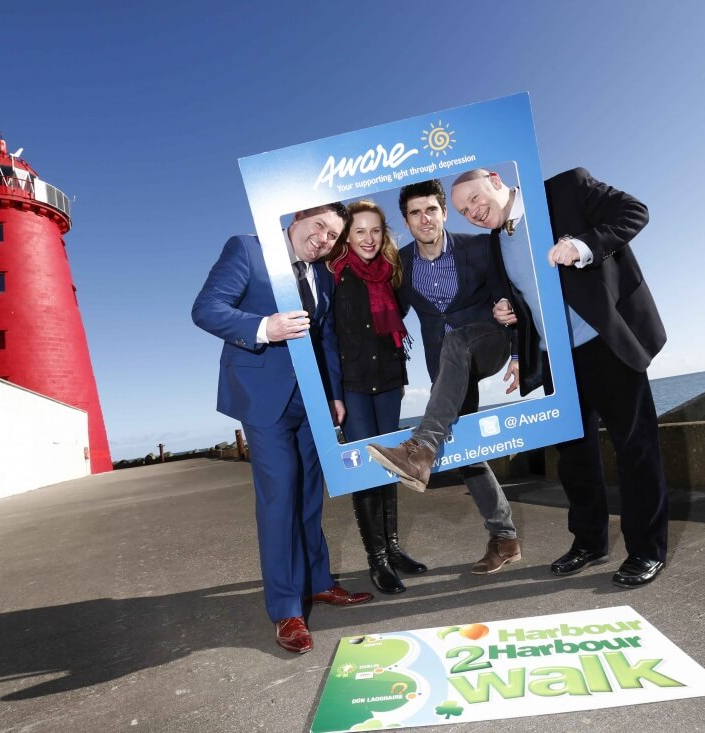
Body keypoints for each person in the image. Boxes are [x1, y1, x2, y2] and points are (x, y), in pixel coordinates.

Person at [448, 166, 670, 588]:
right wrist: (504, 310)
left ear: (496, 181)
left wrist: (582, 244)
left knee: (635, 449)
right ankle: (589, 543)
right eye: (462, 210)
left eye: (475, 199)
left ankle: (646, 550)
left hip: (605, 341)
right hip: (555, 358)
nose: (472, 212)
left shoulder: (566, 189)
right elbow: (518, 296)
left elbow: (634, 211)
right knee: (574, 458)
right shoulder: (496, 242)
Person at [192, 203, 373, 655]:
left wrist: (332, 395)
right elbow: (206, 309)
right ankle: (286, 609)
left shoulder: (324, 275)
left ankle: (318, 583)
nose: (324, 239)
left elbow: (325, 337)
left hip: (311, 400)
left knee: (311, 495)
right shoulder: (247, 250)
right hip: (262, 396)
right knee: (279, 499)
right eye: (319, 227)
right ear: (295, 219)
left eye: (333, 235)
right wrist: (262, 327)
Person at [367, 179, 522, 575]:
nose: (424, 219)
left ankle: (419, 449)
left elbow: (509, 294)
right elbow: (389, 320)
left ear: (443, 213)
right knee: (469, 452)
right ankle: (504, 538)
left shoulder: (478, 246)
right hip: (447, 370)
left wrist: (519, 349)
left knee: (459, 343)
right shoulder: (400, 266)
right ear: (407, 220)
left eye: (431, 210)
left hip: (487, 341)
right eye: (415, 213)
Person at [327, 200, 426, 595]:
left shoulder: (391, 274)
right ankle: (377, 560)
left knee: (390, 465)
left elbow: (395, 331)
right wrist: (334, 394)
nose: (368, 239)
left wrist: (400, 376)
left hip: (387, 381)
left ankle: (394, 548)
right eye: (359, 232)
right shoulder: (333, 274)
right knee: (367, 471)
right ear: (346, 237)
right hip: (352, 385)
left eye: (375, 231)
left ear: (383, 234)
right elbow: (327, 338)